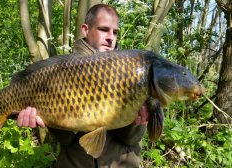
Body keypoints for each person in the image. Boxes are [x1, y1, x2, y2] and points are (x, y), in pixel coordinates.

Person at [17, 4, 148, 168]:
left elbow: (131, 139)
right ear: (85, 30)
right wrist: (48, 119)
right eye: (103, 29)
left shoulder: (132, 70)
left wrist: (136, 123)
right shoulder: (63, 71)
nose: (111, 37)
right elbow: (67, 139)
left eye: (115, 32)